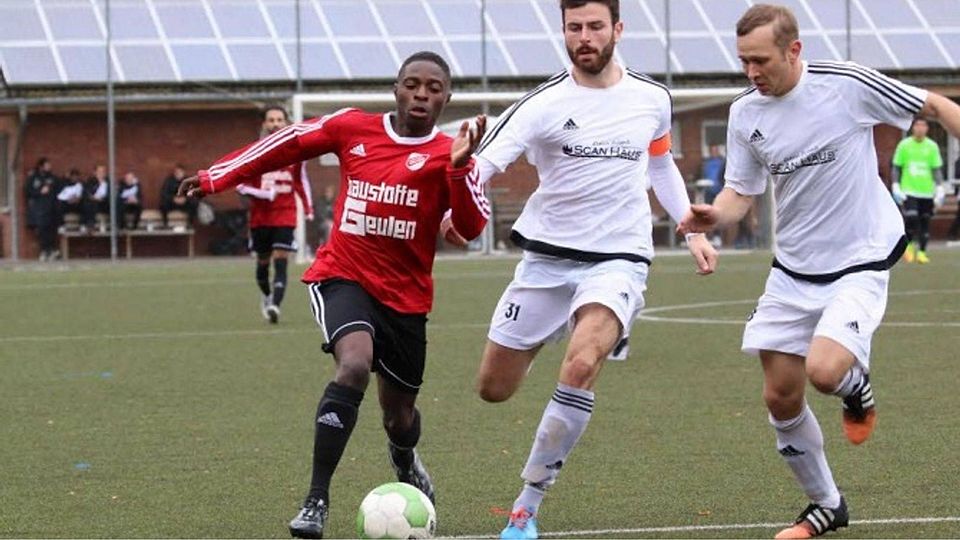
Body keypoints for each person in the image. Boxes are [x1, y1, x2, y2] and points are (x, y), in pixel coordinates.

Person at [177, 51, 489, 539]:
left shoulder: (453, 154)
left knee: (399, 417)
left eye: (433, 88)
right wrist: (219, 176)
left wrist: (458, 168)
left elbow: (470, 227)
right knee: (354, 364)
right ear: (395, 89)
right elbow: (287, 143)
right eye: (412, 84)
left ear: (447, 98)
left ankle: (403, 456)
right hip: (343, 276)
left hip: (406, 299)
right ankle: (316, 500)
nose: (421, 94)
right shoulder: (352, 128)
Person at [679, 4, 960, 539]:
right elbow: (741, 192)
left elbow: (937, 104)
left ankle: (856, 388)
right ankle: (827, 505)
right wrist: (715, 216)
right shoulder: (745, 114)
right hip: (793, 268)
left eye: (761, 61)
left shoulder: (846, 84)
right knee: (780, 395)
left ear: (794, 50)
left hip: (860, 257)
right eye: (743, 62)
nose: (751, 72)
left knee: (825, 371)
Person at [467, 2, 717, 538]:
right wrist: (456, 198)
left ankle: (527, 505)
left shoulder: (652, 98)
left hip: (619, 257)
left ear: (617, 29)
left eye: (595, 26)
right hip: (546, 260)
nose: (585, 37)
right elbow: (481, 167)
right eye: (574, 27)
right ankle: (556, 327)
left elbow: (660, 162)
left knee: (581, 365)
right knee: (493, 388)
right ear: (564, 31)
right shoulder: (540, 104)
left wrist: (691, 230)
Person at [233, 106, 315, 324]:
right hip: (260, 217)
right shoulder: (254, 152)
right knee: (262, 263)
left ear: (286, 122)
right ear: (264, 124)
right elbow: (240, 185)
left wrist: (308, 208)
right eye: (271, 120)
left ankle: (275, 306)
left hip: (285, 214)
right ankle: (267, 296)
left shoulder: (296, 152)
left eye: (279, 119)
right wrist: (262, 193)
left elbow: (301, 181)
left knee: (281, 258)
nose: (276, 124)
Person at [892, 117, 945, 263]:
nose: (920, 128)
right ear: (913, 127)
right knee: (912, 218)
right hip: (909, 190)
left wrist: (940, 187)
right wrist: (895, 185)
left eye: (923, 126)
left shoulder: (932, 146)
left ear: (927, 128)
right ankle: (908, 246)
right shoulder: (904, 145)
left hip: (927, 192)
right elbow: (896, 167)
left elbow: (936, 170)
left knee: (925, 220)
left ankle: (922, 252)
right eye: (917, 125)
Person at [24, 157, 61, 261]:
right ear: (41, 166)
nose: (49, 167)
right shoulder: (33, 178)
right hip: (39, 209)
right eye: (47, 165)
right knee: (42, 230)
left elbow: (59, 189)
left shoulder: (53, 178)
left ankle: (52, 250)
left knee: (52, 230)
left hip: (52, 208)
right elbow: (28, 191)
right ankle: (44, 251)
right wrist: (40, 192)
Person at [84, 164, 110, 230]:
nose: (101, 173)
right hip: (94, 202)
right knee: (88, 204)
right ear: (95, 172)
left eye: (103, 171)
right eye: (99, 171)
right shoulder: (91, 181)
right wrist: (94, 198)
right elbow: (88, 193)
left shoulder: (108, 182)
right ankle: (90, 225)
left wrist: (103, 199)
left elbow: (110, 194)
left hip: (105, 202)